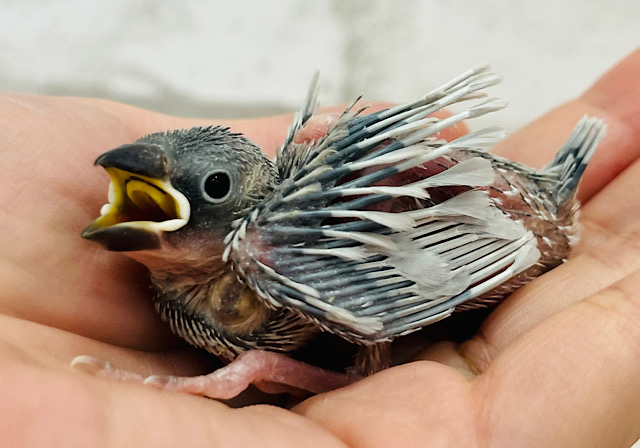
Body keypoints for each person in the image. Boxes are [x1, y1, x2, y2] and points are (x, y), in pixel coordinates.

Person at [1, 50, 639, 447]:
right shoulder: (202, 282)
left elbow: (390, 335)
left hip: (516, 225)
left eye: (213, 189)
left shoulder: (269, 254)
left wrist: (254, 369)